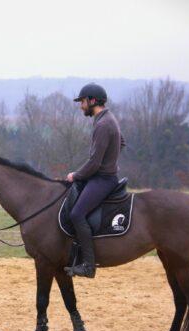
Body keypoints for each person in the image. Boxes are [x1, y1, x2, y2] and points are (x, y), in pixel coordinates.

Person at [63, 84, 125, 278]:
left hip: (103, 179)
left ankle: (88, 265)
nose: (81, 106)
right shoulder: (107, 119)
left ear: (91, 101)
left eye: (82, 102)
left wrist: (75, 175)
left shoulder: (103, 124)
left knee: (77, 214)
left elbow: (94, 163)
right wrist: (110, 160)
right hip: (104, 175)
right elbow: (121, 143)